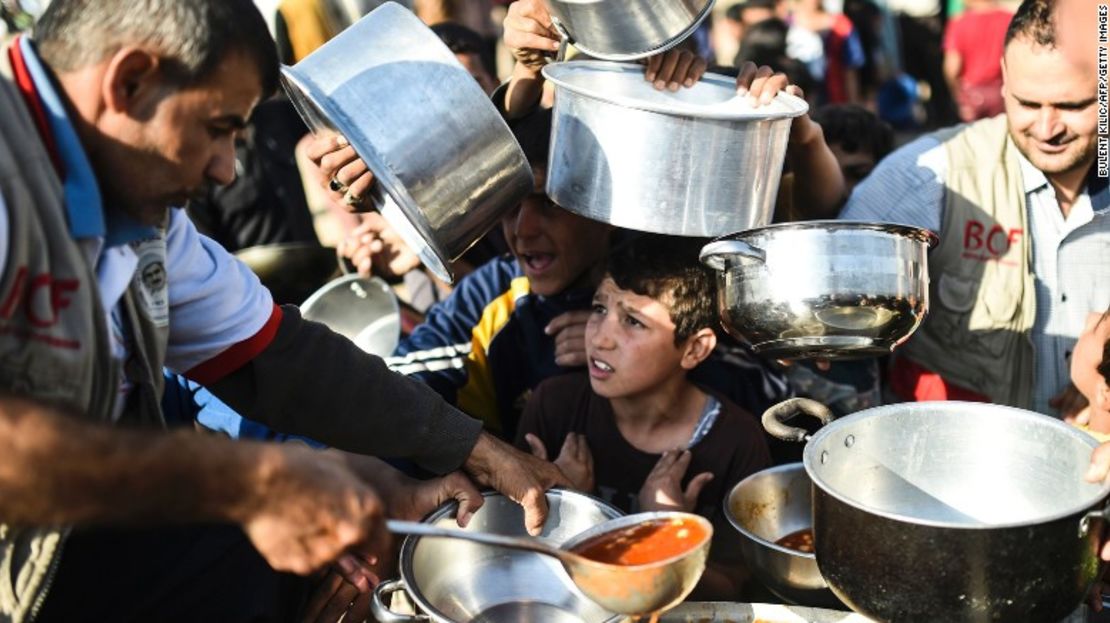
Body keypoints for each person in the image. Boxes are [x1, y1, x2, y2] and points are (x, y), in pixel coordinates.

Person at [0, 1, 567, 620]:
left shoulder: (141, 211)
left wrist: (476, 450)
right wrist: (248, 483)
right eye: (218, 129)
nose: (226, 169)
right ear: (129, 81)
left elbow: (277, 354)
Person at [840, 0, 1110, 417]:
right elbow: (829, 300)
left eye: (1072, 106)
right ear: (1003, 79)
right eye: (1027, 104)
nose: (1046, 128)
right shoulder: (928, 175)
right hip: (950, 470)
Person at [515, 234, 772, 600]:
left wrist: (666, 534)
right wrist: (562, 507)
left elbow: (735, 590)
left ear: (694, 348)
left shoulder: (736, 443)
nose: (601, 338)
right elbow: (509, 554)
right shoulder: (555, 407)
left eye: (633, 322)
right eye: (600, 309)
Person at [942, 0, 1013, 122]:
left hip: (971, 95)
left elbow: (952, 68)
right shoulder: (1010, 19)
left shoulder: (959, 23)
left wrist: (957, 94)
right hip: (1001, 92)